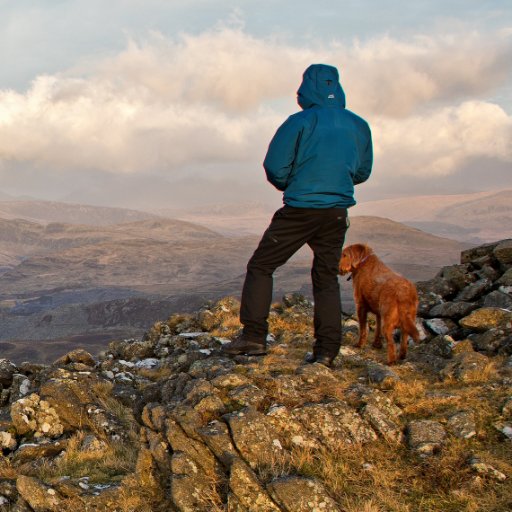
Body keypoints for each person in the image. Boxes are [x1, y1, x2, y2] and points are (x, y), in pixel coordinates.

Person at [221, 63, 373, 367]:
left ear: (307, 88)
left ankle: (253, 338)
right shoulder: (358, 125)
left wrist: (296, 184)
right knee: (326, 276)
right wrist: (335, 184)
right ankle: (327, 350)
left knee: (262, 266)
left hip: (300, 209)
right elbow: (362, 171)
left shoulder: (299, 122)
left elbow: (275, 167)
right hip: (336, 212)